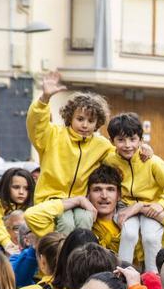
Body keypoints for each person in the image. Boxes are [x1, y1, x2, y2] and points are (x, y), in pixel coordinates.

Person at [26, 69, 114, 215]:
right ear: (70, 118)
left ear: (97, 123)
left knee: (86, 220)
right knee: (65, 224)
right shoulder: (53, 135)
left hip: (81, 201)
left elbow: (121, 158)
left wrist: (143, 149)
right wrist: (44, 99)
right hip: (50, 199)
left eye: (91, 121)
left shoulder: (102, 145)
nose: (85, 125)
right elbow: (35, 125)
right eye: (80, 119)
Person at [103, 114, 164, 270]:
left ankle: (152, 276)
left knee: (150, 238)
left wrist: (161, 204)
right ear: (112, 141)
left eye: (132, 139)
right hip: (125, 206)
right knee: (129, 234)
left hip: (150, 207)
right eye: (121, 140)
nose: (127, 145)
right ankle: (122, 272)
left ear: (141, 140)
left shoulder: (151, 161)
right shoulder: (109, 161)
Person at [0, 167, 34, 255]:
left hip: (23, 240)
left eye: (26, 188)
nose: (21, 192)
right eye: (16, 187)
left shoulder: (32, 206)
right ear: (6, 187)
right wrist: (6, 243)